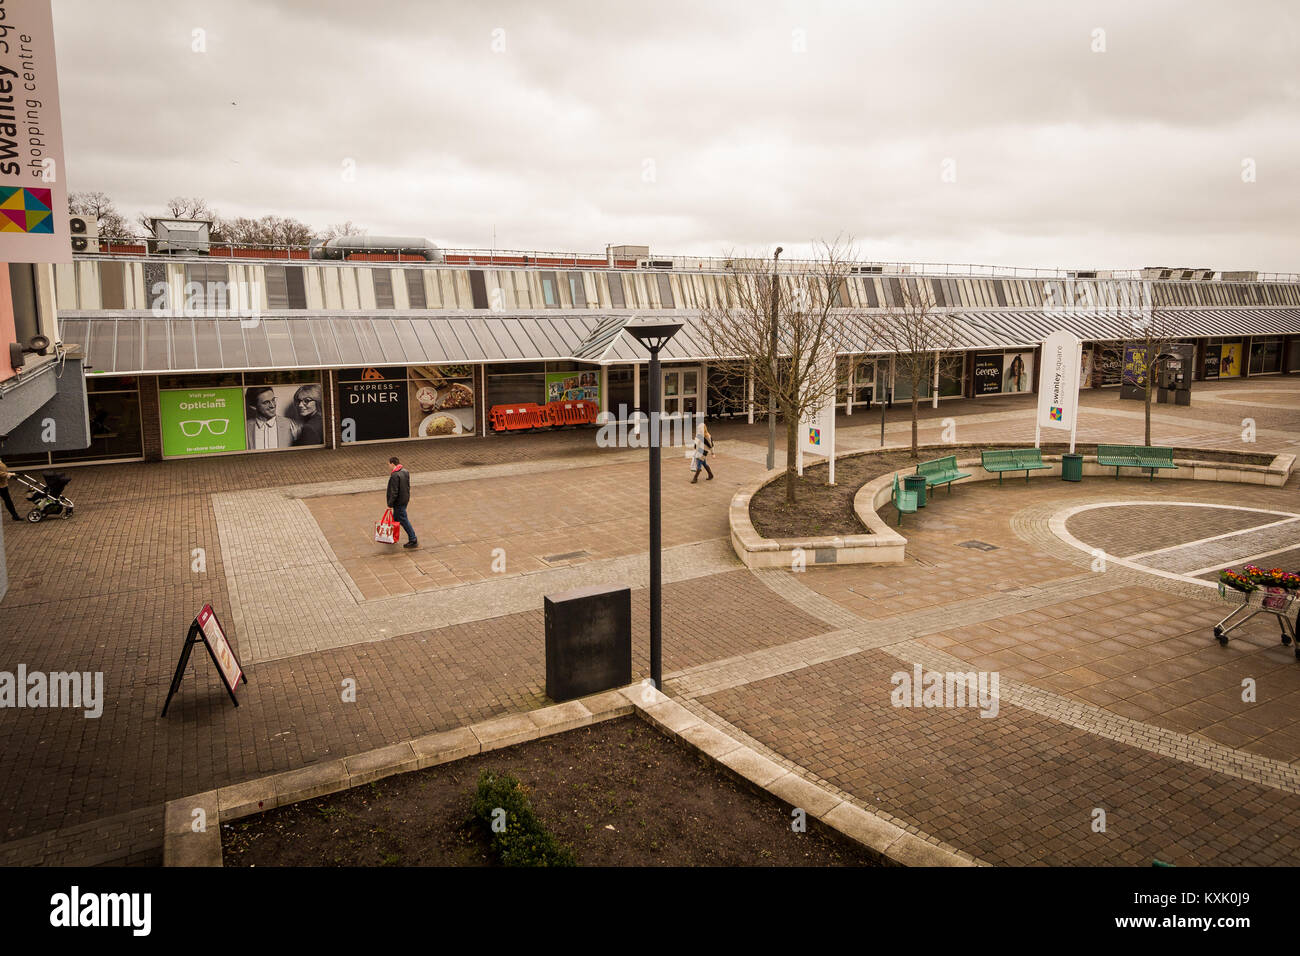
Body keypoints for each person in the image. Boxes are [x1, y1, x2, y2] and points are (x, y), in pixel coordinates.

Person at [386, 456, 418, 549]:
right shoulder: (405, 471)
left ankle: (413, 539)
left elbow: (394, 491)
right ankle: (392, 536)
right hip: (404, 499)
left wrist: (389, 504)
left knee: (403, 520)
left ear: (392, 464)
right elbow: (407, 486)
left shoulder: (395, 475)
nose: (388, 466)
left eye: (388, 464)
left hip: (398, 502)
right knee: (396, 519)